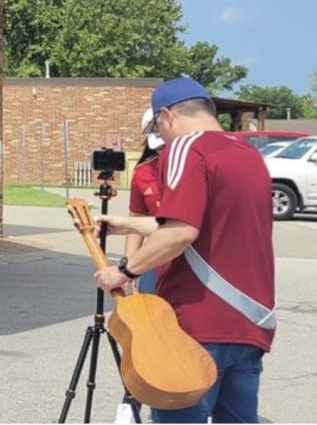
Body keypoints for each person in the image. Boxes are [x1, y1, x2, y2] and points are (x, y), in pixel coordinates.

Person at [96, 78, 275, 424]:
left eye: (157, 128)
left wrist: (123, 270)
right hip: (251, 323)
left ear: (168, 116)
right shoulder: (249, 155)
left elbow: (181, 232)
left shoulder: (186, 148)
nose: (159, 138)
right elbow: (207, 226)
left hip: (198, 324)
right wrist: (128, 224)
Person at [126, 108, 165, 295]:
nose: (162, 151)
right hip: (155, 257)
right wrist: (129, 266)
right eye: (159, 147)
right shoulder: (144, 172)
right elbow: (137, 217)